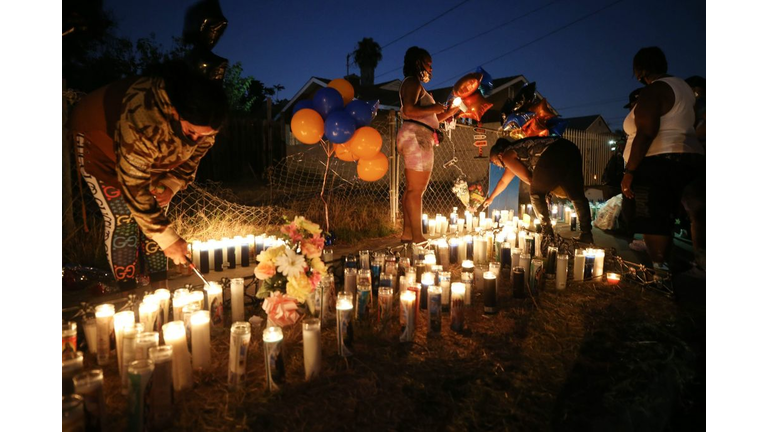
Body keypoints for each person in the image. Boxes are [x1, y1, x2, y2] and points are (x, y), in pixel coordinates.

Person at [69, 60, 229, 290]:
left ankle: (159, 292)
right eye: (191, 132)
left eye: (203, 135)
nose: (196, 139)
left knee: (158, 215)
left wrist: (171, 184)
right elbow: (133, 183)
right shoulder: (144, 115)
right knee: (123, 218)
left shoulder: (205, 126)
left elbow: (191, 158)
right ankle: (127, 293)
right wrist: (167, 238)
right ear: (175, 112)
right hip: (103, 145)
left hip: (152, 159)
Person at [621, 47, 705, 274]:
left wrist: (630, 171)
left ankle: (660, 274)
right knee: (677, 214)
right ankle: (683, 264)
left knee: (653, 218)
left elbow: (646, 132)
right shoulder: (685, 90)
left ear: (641, 70)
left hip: (659, 161)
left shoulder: (654, 89)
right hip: (689, 159)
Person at [397, 46, 461, 243]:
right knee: (416, 190)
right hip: (417, 138)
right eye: (429, 65)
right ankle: (418, 237)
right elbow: (409, 110)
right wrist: (435, 106)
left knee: (411, 189)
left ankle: (408, 234)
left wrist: (451, 111)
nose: (431, 70)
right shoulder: (412, 82)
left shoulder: (414, 84)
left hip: (413, 135)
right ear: (419, 63)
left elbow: (430, 117)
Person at [482, 136, 594, 243]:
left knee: (535, 193)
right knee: (576, 195)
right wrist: (491, 198)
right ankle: (586, 234)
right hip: (570, 149)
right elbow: (503, 181)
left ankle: (547, 233)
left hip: (553, 152)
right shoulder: (513, 151)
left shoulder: (507, 156)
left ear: (500, 155)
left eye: (495, 162)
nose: (498, 166)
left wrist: (542, 191)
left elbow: (529, 178)